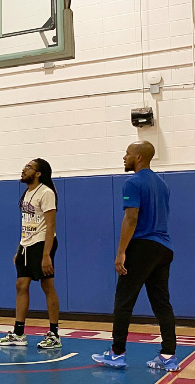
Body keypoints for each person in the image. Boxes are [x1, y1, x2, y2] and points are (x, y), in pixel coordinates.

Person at [92, 141, 179, 371]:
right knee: (162, 304)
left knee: (123, 301)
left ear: (139, 157)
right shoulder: (163, 184)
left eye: (128, 153)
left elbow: (131, 218)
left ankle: (117, 353)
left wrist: (121, 252)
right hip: (164, 248)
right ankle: (168, 355)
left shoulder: (133, 182)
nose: (124, 157)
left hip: (142, 246)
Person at [0, 158, 61, 349]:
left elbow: (51, 225)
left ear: (38, 173)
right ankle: (18, 333)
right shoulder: (27, 193)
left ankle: (54, 334)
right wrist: (20, 248)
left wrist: (46, 254)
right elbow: (26, 223)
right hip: (26, 245)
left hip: (42, 244)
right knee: (20, 285)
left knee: (47, 286)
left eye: (29, 167)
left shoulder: (46, 193)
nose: (24, 169)